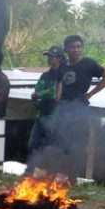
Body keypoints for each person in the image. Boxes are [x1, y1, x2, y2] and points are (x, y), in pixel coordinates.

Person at [51, 34, 105, 180]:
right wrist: (57, 95)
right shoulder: (63, 65)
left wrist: (90, 94)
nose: (76, 50)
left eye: (78, 47)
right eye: (72, 47)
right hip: (64, 109)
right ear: (66, 49)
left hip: (80, 108)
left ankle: (71, 179)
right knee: (60, 142)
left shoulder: (88, 63)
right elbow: (58, 81)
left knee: (75, 145)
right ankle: (58, 176)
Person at [25, 45, 64, 175]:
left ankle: (47, 174)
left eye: (52, 56)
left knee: (50, 146)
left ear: (59, 58)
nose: (49, 59)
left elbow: (54, 92)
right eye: (48, 56)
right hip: (41, 114)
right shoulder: (45, 75)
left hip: (55, 116)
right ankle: (31, 171)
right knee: (33, 144)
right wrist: (37, 97)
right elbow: (37, 90)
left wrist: (40, 94)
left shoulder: (63, 75)